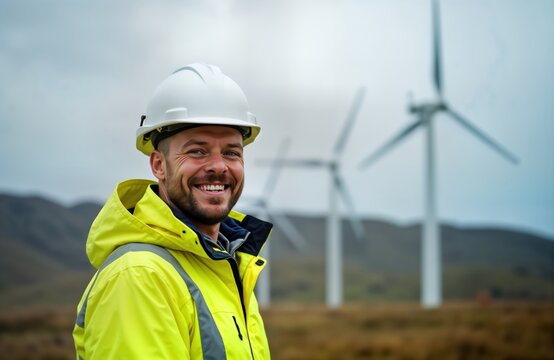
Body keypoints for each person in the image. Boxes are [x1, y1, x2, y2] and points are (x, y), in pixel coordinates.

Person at [72, 63, 273, 359]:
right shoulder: (140, 276)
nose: (219, 166)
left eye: (231, 152)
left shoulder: (227, 265)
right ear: (158, 165)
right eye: (197, 151)